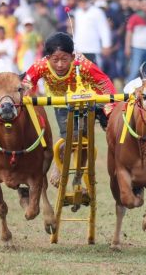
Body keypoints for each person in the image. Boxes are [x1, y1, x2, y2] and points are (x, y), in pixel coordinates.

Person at [23, 32, 116, 187]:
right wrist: (26, 95)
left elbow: (104, 82)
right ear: (47, 58)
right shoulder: (41, 66)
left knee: (84, 139)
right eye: (55, 60)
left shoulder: (83, 64)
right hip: (61, 103)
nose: (60, 65)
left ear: (72, 57)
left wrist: (110, 106)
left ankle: (80, 176)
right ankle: (58, 167)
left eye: (64, 59)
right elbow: (27, 82)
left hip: (85, 100)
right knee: (69, 136)